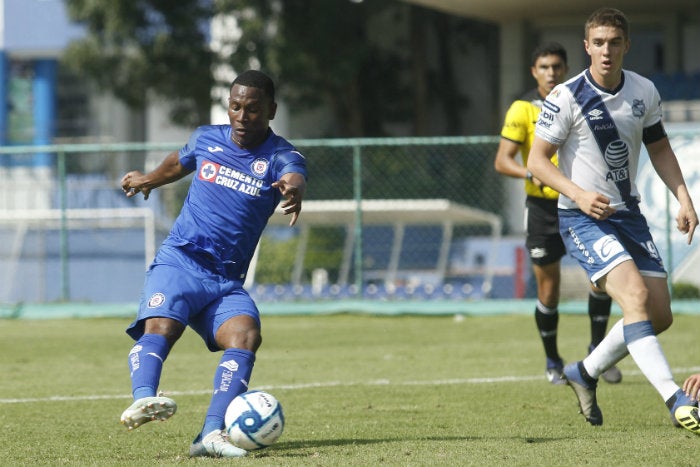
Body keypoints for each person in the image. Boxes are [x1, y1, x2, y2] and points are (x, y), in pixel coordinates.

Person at [118, 69, 308, 457]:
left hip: (225, 280)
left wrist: (293, 188)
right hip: (181, 260)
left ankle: (210, 435)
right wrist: (150, 180)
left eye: (253, 109)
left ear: (271, 110)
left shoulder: (280, 155)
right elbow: (179, 161)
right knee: (162, 325)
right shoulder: (208, 138)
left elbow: (294, 174)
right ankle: (144, 398)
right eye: (235, 106)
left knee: (245, 335)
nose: (241, 116)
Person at [527, 7, 700, 433]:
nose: (606, 50)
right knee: (636, 299)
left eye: (614, 42)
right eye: (598, 43)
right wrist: (580, 195)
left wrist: (684, 198)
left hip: (630, 216)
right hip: (581, 219)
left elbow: (659, 148)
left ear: (626, 45)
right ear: (587, 47)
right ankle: (676, 400)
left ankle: (584, 372)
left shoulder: (644, 91)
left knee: (659, 315)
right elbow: (536, 161)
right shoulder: (565, 96)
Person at [494, 42, 621, 385]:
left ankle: (599, 353)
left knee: (602, 280)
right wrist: (529, 172)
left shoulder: (581, 100)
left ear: (566, 69)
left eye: (557, 67)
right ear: (534, 72)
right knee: (548, 288)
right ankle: (552, 361)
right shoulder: (522, 110)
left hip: (582, 204)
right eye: (544, 67)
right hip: (542, 209)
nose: (551, 73)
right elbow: (502, 160)